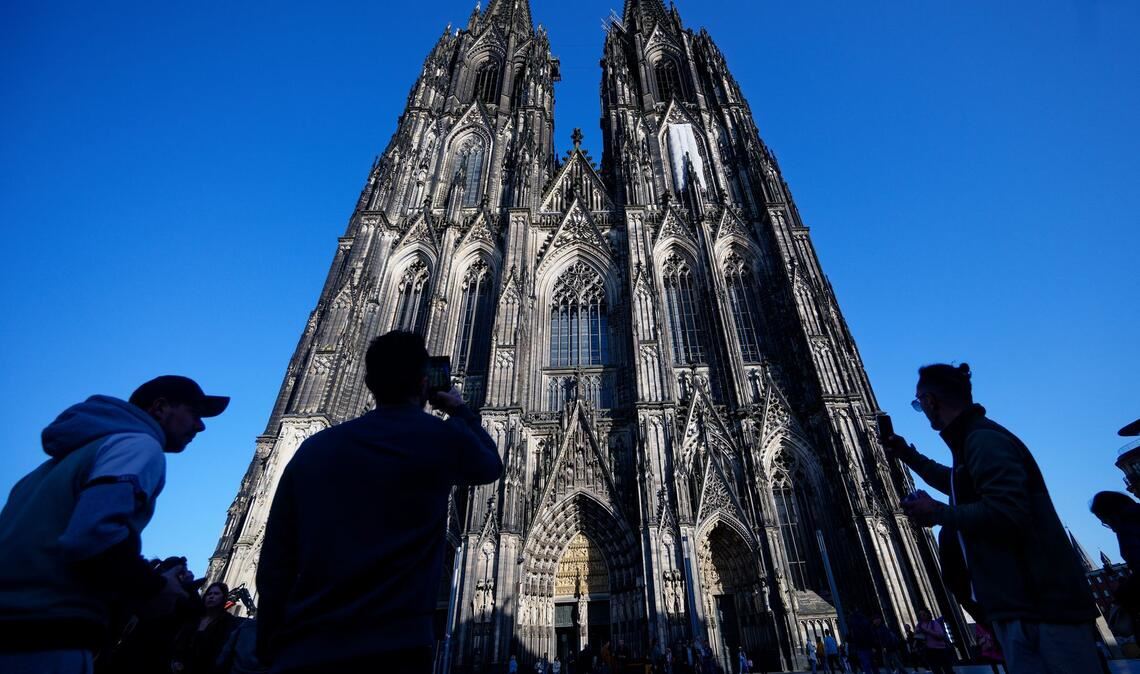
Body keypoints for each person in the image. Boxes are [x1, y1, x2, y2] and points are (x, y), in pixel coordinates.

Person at [255, 331, 502, 673]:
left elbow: (275, 561)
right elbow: (492, 464)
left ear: (369, 383)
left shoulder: (312, 450)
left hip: (310, 645)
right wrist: (459, 410)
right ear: (424, 383)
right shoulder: (439, 439)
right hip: (395, 646)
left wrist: (268, 640)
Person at [0, 376, 228, 672]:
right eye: (194, 413)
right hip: (45, 637)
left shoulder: (59, 463)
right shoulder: (139, 446)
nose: (200, 425)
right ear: (160, 407)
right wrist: (157, 588)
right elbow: (93, 535)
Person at [888, 363, 1100, 674]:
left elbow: (1007, 512)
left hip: (1041, 607)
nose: (922, 410)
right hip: (1026, 605)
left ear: (932, 401)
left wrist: (939, 513)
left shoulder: (983, 441)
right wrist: (907, 455)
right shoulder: (974, 440)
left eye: (919, 404)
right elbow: (958, 481)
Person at [171, 581, 238, 673]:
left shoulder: (228, 622)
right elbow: (180, 642)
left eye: (216, 593)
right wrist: (176, 660)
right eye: (209, 594)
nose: (211, 596)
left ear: (224, 597)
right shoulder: (194, 619)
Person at [915, 610, 953, 674]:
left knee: (947, 669)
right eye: (920, 615)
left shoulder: (934, 623)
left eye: (924, 614)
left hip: (940, 650)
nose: (922, 616)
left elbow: (941, 635)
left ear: (928, 614)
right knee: (936, 670)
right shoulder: (919, 625)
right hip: (929, 651)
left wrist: (928, 631)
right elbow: (916, 637)